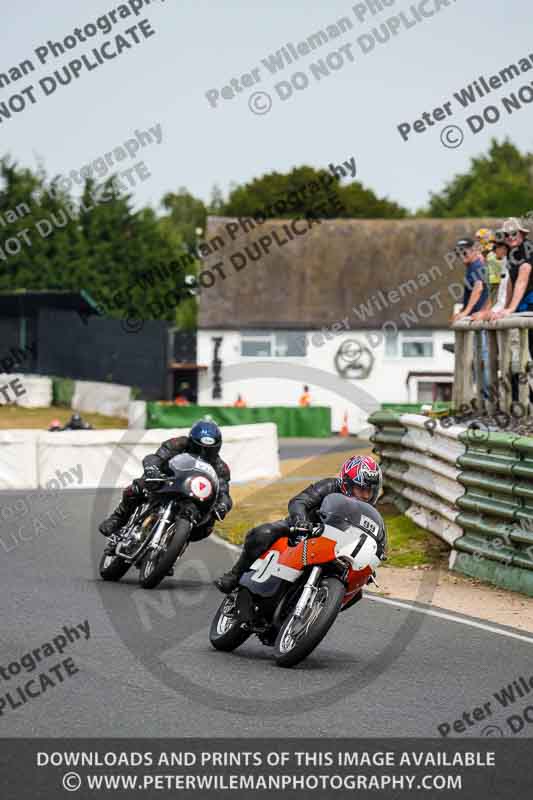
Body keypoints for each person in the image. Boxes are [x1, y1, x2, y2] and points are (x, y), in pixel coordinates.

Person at [215, 455, 385, 594]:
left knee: (357, 592)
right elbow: (299, 501)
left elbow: (373, 539)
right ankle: (235, 575)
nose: (365, 495)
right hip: (302, 530)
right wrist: (300, 521)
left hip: (333, 548)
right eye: (360, 489)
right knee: (263, 533)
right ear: (347, 483)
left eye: (369, 491)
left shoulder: (369, 512)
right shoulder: (330, 486)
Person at [99, 420, 232, 545]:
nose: (203, 453)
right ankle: (118, 518)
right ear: (191, 442)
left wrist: (222, 506)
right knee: (137, 488)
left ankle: (170, 556)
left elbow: (224, 492)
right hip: (167, 483)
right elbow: (157, 457)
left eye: (209, 450)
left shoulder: (221, 467)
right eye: (199, 448)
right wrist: (152, 468)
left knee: (206, 527)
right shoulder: (178, 444)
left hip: (193, 499)